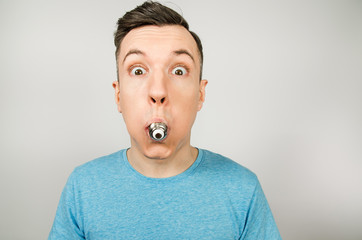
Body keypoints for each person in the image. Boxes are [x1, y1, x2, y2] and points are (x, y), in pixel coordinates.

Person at [48, 1, 281, 239]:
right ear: (118, 96)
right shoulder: (83, 188)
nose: (158, 91)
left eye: (179, 70)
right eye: (138, 70)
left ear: (200, 94)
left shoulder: (243, 190)